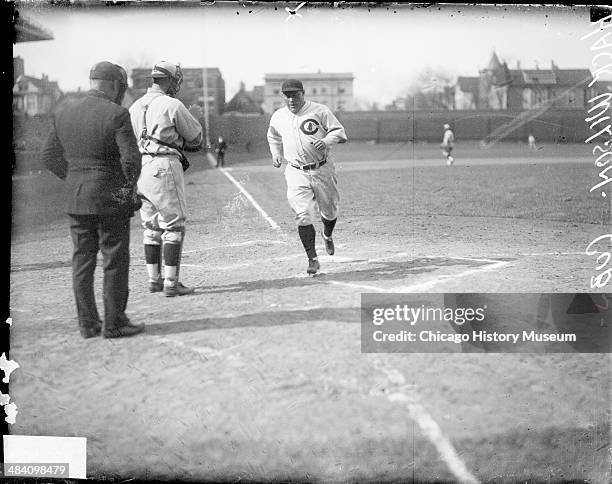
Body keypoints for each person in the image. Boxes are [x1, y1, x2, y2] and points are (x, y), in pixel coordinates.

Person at [41, 61, 144, 339]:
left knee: (82, 261)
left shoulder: (63, 110)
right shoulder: (117, 113)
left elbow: (48, 155)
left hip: (76, 199)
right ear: (113, 85)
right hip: (110, 199)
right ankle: (115, 323)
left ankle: (87, 324)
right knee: (114, 259)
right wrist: (127, 189)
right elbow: (131, 160)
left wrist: (75, 179)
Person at [129, 61, 203, 297]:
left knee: (150, 226)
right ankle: (171, 283)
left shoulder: (135, 105)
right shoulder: (172, 104)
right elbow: (195, 138)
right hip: (164, 165)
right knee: (173, 224)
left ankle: (154, 280)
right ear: (169, 80)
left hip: (141, 167)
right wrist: (195, 117)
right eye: (175, 79)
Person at [267, 79, 347, 275]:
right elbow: (273, 136)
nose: (291, 99)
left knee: (329, 211)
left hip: (322, 169)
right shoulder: (278, 116)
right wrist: (276, 153)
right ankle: (312, 258)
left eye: (295, 94)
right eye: (287, 95)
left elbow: (339, 131)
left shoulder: (319, 110)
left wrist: (326, 140)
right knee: (302, 214)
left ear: (303, 93)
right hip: (296, 171)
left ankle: (327, 235)